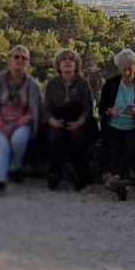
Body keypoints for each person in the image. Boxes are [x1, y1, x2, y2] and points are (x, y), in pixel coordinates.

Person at [0, 45, 43, 195]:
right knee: (3, 146)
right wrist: (1, 124)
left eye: (24, 58)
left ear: (28, 63)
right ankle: (0, 181)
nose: (19, 60)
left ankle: (15, 167)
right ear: (9, 60)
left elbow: (33, 110)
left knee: (19, 139)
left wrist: (16, 124)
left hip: (21, 124)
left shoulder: (32, 84)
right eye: (16, 57)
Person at [99, 49, 135, 201]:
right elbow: (101, 109)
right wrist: (109, 111)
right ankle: (122, 181)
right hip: (113, 125)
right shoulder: (111, 84)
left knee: (132, 145)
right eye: (124, 70)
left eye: (130, 69)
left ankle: (116, 178)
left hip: (133, 126)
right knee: (113, 145)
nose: (127, 73)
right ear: (119, 69)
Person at [43, 48, 95, 191]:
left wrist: (79, 122)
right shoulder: (52, 84)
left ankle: (80, 175)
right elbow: (46, 108)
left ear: (76, 65)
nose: (67, 61)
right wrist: (51, 120)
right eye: (63, 59)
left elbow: (88, 108)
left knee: (78, 139)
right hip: (58, 120)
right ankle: (54, 174)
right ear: (58, 65)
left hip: (78, 120)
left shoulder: (83, 83)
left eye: (71, 59)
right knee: (55, 138)